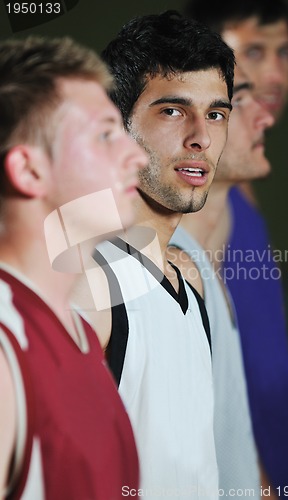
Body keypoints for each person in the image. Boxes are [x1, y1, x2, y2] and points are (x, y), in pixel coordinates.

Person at [86, 10, 234, 499]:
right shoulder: (87, 283)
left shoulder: (188, 278)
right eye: (172, 111)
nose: (201, 137)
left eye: (216, 113)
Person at [0, 35, 147, 499]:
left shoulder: (79, 331)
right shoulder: (5, 349)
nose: (137, 156)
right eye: (105, 134)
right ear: (29, 171)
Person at [183, 0, 288, 495]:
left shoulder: (239, 187)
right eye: (253, 53)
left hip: (274, 456)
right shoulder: (162, 215)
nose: (274, 74)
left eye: (285, 52)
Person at [169, 66, 274, 497]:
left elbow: (236, 456)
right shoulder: (168, 270)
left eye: (221, 109)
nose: (264, 117)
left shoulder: (211, 257)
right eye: (234, 104)